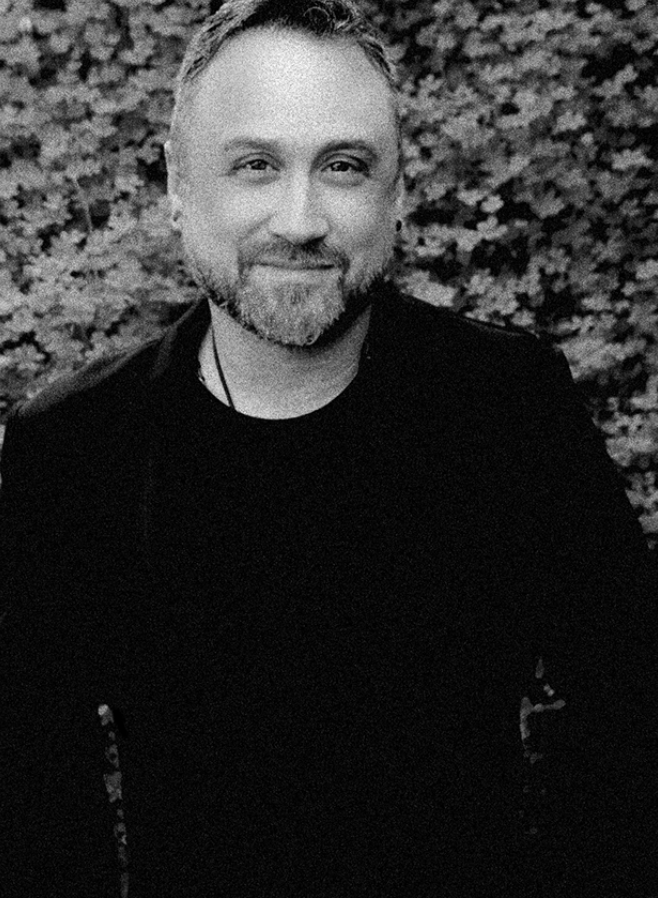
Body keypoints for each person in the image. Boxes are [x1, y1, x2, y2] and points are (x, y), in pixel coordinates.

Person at [0, 1, 655, 895]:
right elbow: (36, 791)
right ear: (178, 183)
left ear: (397, 192)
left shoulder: (504, 409)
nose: (300, 218)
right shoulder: (77, 452)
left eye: (343, 166)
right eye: (256, 165)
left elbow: (629, 708)